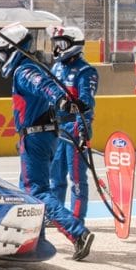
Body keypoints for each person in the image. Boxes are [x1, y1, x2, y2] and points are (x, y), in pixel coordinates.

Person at [0, 23, 94, 260]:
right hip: (36, 135)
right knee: (28, 192)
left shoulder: (25, 70)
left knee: (36, 191)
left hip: (38, 136)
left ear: (12, 49)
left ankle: (77, 232)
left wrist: (63, 101)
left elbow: (45, 86)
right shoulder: (27, 67)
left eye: (1, 52)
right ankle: (36, 240)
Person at [49, 26, 99, 226]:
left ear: (74, 44)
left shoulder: (86, 71)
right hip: (56, 128)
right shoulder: (56, 68)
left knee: (77, 177)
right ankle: (56, 215)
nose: (58, 49)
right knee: (55, 176)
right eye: (56, 44)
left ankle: (77, 218)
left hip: (76, 128)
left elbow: (87, 104)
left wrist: (82, 130)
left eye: (62, 44)